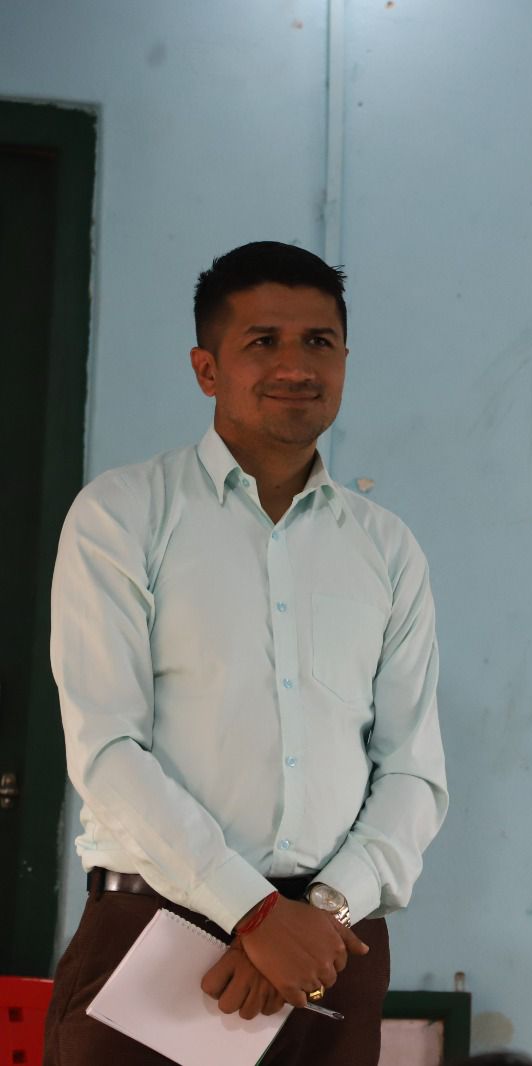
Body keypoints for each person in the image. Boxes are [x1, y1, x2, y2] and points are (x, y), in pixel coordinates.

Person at [43, 242, 449, 1066]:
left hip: (333, 949)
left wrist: (318, 917)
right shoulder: (121, 516)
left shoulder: (387, 549)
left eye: (318, 342)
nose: (296, 366)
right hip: (156, 935)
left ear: (344, 360)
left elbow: (414, 770)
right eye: (263, 341)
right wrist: (254, 914)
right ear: (207, 369)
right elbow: (107, 749)